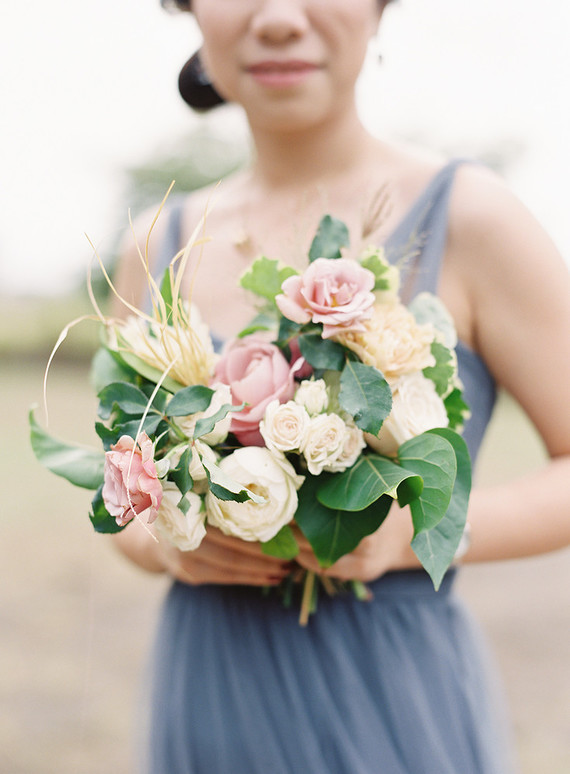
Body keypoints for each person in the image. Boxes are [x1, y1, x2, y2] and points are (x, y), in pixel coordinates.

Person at [111, 1, 570, 771]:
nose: (281, 18)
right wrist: (171, 548)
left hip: (387, 699)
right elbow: (121, 496)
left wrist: (410, 536)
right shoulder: (158, 244)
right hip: (210, 688)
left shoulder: (472, 217)